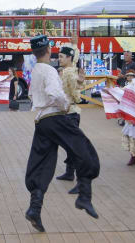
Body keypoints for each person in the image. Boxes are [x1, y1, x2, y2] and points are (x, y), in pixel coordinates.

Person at [25, 35, 100, 233]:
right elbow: (56, 94)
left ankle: (35, 208)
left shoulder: (36, 70)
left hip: (41, 121)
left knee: (42, 163)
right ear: (48, 49)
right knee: (84, 149)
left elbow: (32, 95)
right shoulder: (49, 70)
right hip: (56, 117)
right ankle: (84, 196)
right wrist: (65, 105)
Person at [56, 43, 85, 195]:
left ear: (69, 58)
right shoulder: (69, 70)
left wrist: (78, 88)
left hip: (70, 112)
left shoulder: (67, 72)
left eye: (61, 56)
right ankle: (70, 172)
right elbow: (77, 85)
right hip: (70, 112)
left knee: (73, 146)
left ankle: (80, 176)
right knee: (70, 145)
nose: (58, 59)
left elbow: (75, 92)